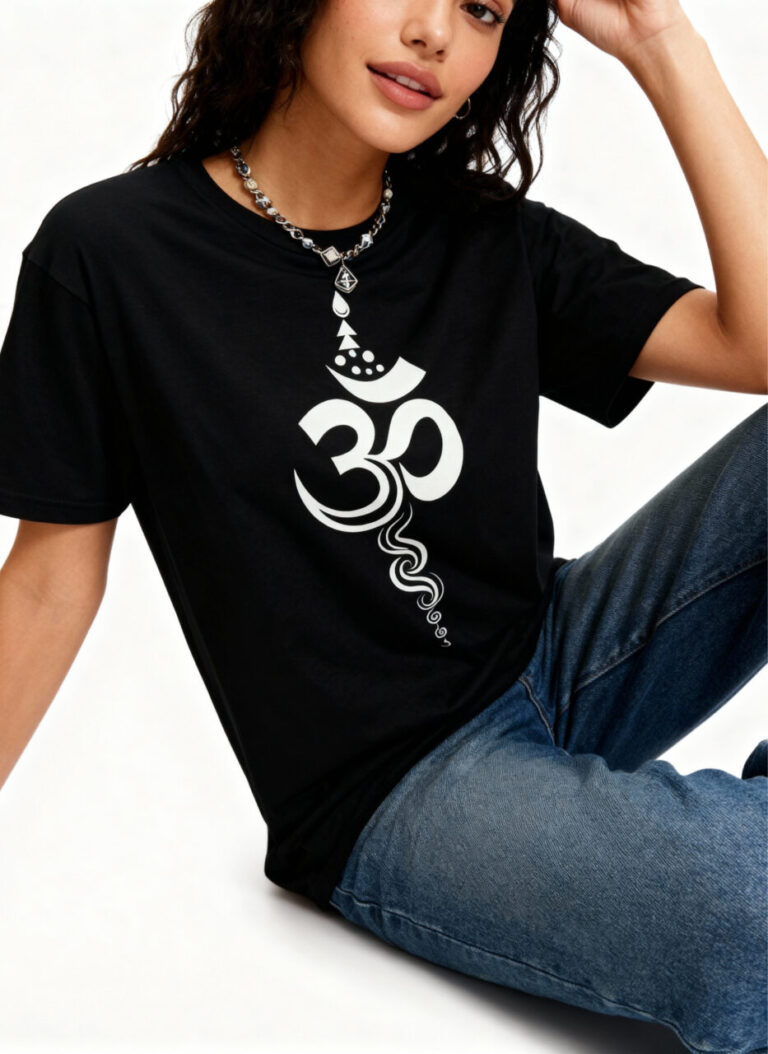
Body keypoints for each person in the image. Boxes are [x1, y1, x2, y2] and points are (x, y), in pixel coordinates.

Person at [0, 0, 765, 1051]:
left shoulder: (479, 229)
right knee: (746, 910)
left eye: (483, 11)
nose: (436, 33)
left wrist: (663, 46)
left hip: (559, 656)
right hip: (396, 789)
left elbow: (756, 343)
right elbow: (48, 583)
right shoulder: (113, 255)